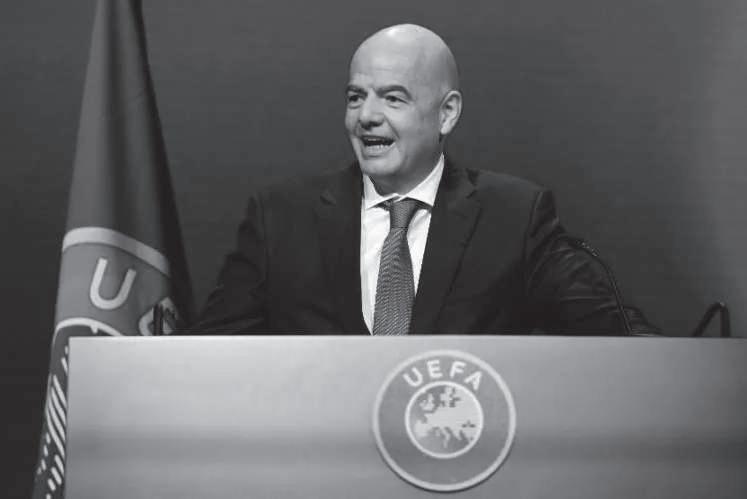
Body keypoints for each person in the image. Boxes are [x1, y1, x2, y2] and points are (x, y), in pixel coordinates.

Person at [188, 24, 658, 336]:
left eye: (393, 98)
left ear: (446, 113)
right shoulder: (280, 218)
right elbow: (209, 354)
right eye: (355, 97)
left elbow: (620, 339)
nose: (366, 116)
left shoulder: (513, 217)